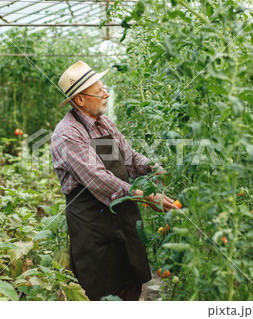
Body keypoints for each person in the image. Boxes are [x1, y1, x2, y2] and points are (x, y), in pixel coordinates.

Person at [50, 61, 178, 301]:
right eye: (99, 92)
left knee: (130, 281)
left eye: (104, 88)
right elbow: (97, 178)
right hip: (93, 223)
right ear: (80, 100)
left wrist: (154, 168)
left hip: (122, 217)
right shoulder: (68, 133)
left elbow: (128, 158)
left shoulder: (103, 124)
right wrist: (144, 195)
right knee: (102, 290)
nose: (106, 94)